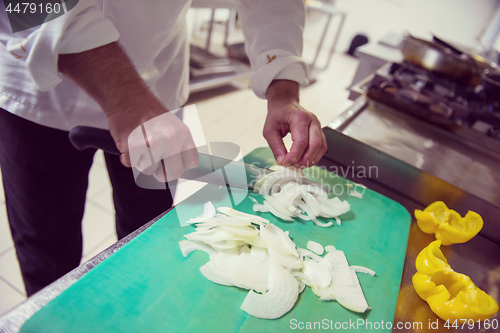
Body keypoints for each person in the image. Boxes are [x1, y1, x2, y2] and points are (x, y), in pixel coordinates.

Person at [0, 0, 327, 296]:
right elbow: (27, 7)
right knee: (49, 254)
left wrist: (283, 89)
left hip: (159, 82)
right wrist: (129, 101)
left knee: (148, 232)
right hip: (38, 94)